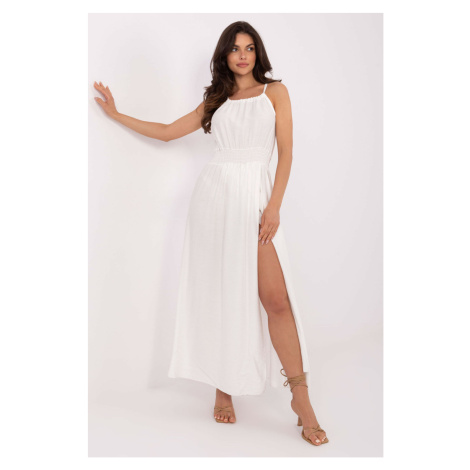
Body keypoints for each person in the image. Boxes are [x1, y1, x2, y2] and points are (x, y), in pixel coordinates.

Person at [94, 21, 328, 446]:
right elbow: (168, 132)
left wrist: (273, 206)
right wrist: (116, 114)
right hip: (215, 202)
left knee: (276, 300)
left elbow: (287, 152)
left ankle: (302, 400)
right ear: (224, 55)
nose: (243, 55)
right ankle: (223, 387)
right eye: (235, 49)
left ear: (258, 53)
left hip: (256, 199)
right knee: (223, 295)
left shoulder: (275, 92)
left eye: (250, 48)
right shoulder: (216, 101)